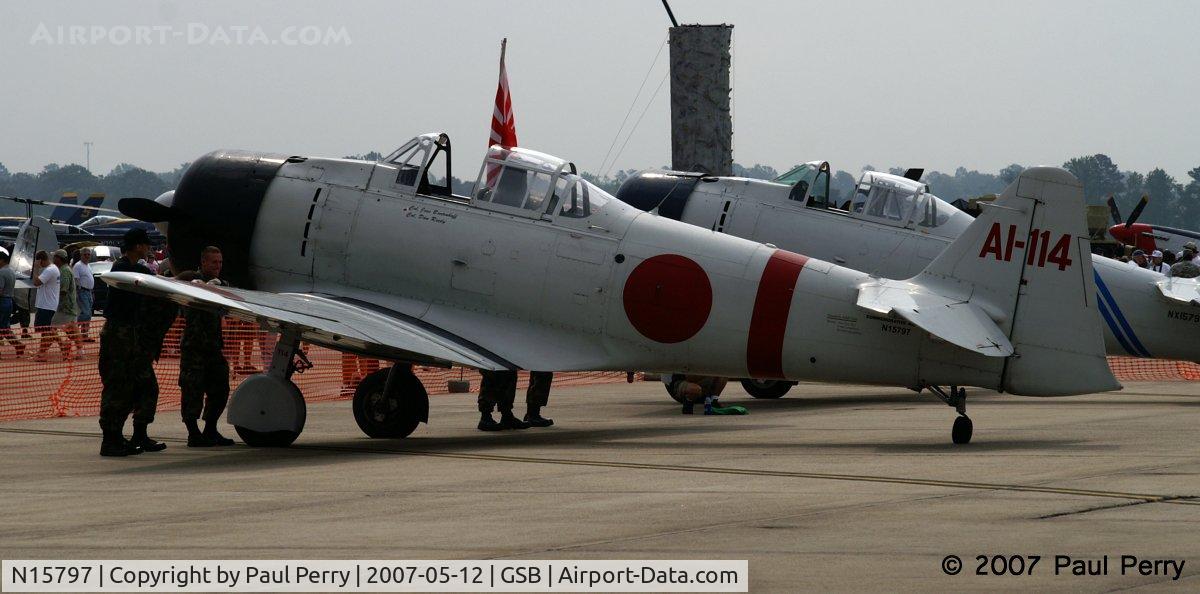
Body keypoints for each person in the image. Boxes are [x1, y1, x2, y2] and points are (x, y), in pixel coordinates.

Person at [97, 228, 165, 457]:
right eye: (146, 244)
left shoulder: (135, 269)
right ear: (137, 246)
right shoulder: (124, 268)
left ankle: (137, 434)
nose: (148, 248)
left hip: (132, 337)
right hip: (119, 336)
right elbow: (144, 277)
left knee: (145, 386)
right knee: (118, 387)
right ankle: (111, 439)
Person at [175, 246, 235, 447]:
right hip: (194, 347)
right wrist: (198, 287)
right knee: (192, 390)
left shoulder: (220, 284)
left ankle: (210, 429)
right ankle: (193, 433)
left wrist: (217, 287)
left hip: (213, 347)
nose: (217, 266)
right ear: (203, 263)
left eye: (220, 262)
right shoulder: (191, 281)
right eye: (213, 262)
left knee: (220, 388)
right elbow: (175, 290)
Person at [31, 250, 64, 360]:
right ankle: (63, 347)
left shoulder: (49, 270)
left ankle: (42, 354)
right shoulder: (52, 269)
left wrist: (35, 269)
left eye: (38, 262)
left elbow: (36, 282)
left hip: (47, 304)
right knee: (49, 330)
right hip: (48, 303)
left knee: (46, 331)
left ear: (40, 260)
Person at [51, 250, 81, 358]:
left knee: (51, 327)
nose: (53, 259)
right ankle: (78, 351)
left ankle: (64, 346)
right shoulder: (64, 269)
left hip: (65, 306)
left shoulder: (64, 271)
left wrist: (53, 296)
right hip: (67, 306)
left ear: (59, 258)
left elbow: (63, 290)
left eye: (54, 257)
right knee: (72, 329)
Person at [0, 251, 24, 357]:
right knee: (5, 327)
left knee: (3, 327)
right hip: (9, 300)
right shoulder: (11, 271)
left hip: (2, 301)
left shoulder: (1, 272)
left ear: (2, 260)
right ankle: (18, 345)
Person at [73, 248, 95, 340]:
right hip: (81, 291)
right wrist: (77, 293)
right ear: (81, 255)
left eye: (88, 254)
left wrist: (92, 292)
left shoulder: (88, 265)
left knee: (88, 314)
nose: (87, 256)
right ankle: (73, 327)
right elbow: (76, 280)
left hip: (89, 292)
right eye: (85, 254)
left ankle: (84, 335)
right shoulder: (78, 266)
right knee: (85, 313)